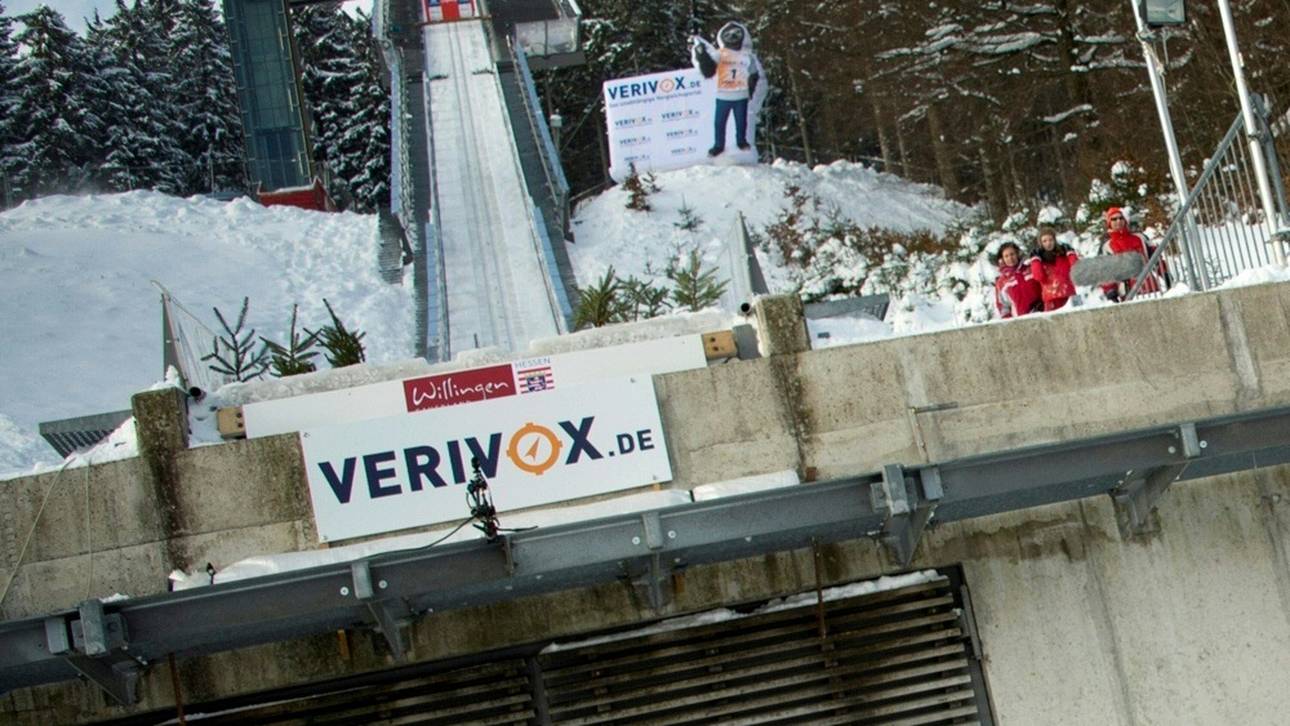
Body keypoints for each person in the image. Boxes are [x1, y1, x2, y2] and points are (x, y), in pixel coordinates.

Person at [691, 22, 762, 157]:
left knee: (741, 122)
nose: (733, 37)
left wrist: (750, 90)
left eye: (736, 34)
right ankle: (719, 145)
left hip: (740, 94)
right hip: (723, 94)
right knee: (720, 123)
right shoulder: (720, 54)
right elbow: (708, 70)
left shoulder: (748, 55)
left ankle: (741, 141)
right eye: (729, 35)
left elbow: (754, 74)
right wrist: (701, 55)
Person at [1102, 206, 1167, 301]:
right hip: (1128, 292)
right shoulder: (1107, 247)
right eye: (1114, 219)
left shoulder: (1140, 238)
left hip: (1151, 287)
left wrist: (1164, 273)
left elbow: (1155, 257)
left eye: (1121, 218)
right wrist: (1110, 290)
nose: (1118, 221)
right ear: (1109, 223)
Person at [1028, 227, 1078, 311]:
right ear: (1041, 243)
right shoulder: (1039, 261)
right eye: (1044, 241)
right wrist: (1035, 260)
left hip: (1070, 295)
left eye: (1050, 240)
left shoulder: (1063, 256)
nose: (1048, 243)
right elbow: (1039, 277)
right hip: (1051, 300)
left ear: (1055, 240)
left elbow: (1077, 269)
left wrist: (1071, 253)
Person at [994, 241, 1041, 319]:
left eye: (1012, 254)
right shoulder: (1002, 281)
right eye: (1006, 256)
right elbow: (1002, 306)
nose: (1010, 258)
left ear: (1017, 254)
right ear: (1002, 259)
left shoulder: (1030, 269)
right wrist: (1009, 322)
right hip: (1020, 320)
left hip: (1041, 314)